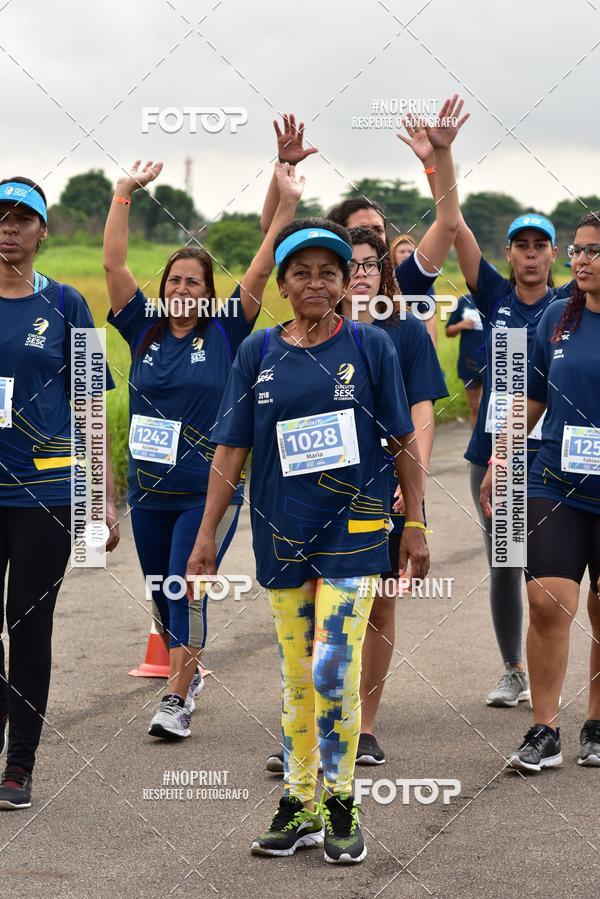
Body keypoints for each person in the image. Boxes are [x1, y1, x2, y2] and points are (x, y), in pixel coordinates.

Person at [186, 221, 429, 863]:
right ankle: (300, 803)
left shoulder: (372, 346)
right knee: (296, 676)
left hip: (354, 529)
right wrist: (207, 532)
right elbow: (232, 446)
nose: (315, 283)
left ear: (348, 280)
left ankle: (342, 802)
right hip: (281, 529)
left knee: (332, 667)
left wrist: (418, 523)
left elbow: (403, 439)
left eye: (329, 271)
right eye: (301, 273)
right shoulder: (258, 352)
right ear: (284, 284)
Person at [104, 158, 303, 741]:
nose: (182, 289)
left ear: (209, 292)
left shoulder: (225, 329)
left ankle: (175, 696)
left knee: (186, 583)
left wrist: (285, 199)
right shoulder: (142, 328)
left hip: (206, 490)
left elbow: (264, 266)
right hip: (151, 491)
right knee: (162, 593)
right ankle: (185, 674)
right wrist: (123, 194)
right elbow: (114, 262)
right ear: (162, 290)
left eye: (193, 281)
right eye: (174, 281)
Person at [0, 177, 119, 811]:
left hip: (44, 492)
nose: (10, 228)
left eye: (24, 219)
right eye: (2, 217)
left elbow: (92, 402)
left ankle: (19, 765)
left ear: (44, 231)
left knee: (29, 624)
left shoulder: (69, 303)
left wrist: (100, 496)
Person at [480, 212, 600, 772]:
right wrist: (499, 460)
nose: (581, 260)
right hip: (554, 480)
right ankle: (544, 728)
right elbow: (527, 399)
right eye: (577, 251)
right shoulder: (556, 318)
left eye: (593, 252)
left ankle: (596, 723)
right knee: (547, 600)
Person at [390, 233, 438, 346]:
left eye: (410, 252)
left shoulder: (422, 281)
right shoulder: (383, 279)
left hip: (414, 339)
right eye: (402, 251)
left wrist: (432, 347)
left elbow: (429, 316)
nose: (406, 255)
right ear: (393, 255)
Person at [445, 293, 484, 427]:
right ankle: (477, 445)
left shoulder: (501, 298)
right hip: (470, 362)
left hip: (496, 361)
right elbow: (448, 331)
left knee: (490, 408)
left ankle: (495, 445)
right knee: (475, 408)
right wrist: (461, 325)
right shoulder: (465, 300)